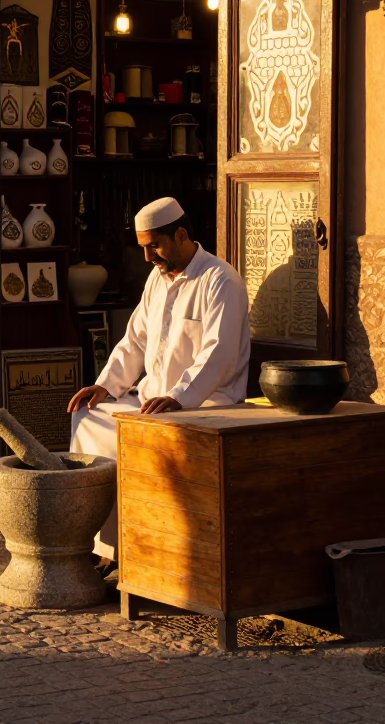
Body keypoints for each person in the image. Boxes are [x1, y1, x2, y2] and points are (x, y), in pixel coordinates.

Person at [67, 197, 250, 566]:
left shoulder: (220, 280)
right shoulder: (157, 279)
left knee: (150, 432)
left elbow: (219, 353)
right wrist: (107, 384)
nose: (149, 256)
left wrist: (180, 397)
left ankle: (138, 552)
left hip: (207, 405)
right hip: (152, 402)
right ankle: (103, 549)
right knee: (88, 417)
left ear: (181, 235)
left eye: (155, 246)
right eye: (143, 248)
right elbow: (135, 339)